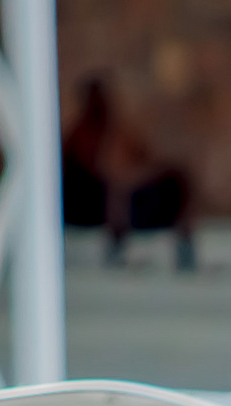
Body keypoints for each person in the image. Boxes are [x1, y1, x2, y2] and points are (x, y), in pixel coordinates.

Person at [61, 76, 197, 271]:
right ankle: (116, 249)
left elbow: (141, 158)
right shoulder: (80, 136)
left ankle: (185, 251)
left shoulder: (119, 132)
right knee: (118, 189)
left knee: (178, 178)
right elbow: (110, 173)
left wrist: (147, 171)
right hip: (90, 205)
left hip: (130, 197)